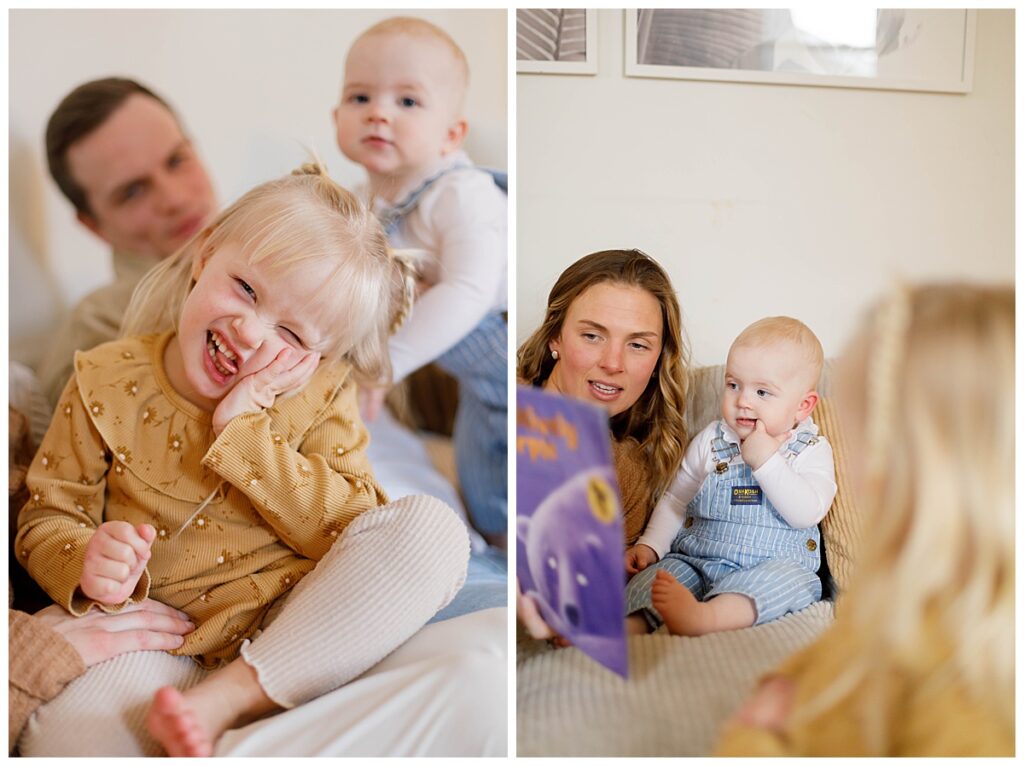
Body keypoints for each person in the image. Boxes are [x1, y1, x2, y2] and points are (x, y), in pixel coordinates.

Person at [17, 164, 469, 757]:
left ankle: (234, 702)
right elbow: (46, 513)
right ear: (205, 255)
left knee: (433, 531)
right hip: (159, 640)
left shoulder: (322, 394)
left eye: (293, 335)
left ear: (319, 359)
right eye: (247, 290)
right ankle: (223, 729)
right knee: (68, 741)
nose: (252, 332)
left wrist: (245, 433)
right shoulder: (105, 377)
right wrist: (84, 562)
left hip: (298, 632)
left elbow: (349, 528)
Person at [715, 284, 1013, 756]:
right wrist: (789, 686)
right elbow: (835, 664)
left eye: (855, 434)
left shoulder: (967, 692)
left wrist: (755, 733)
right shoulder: (900, 593)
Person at [333, 17, 508, 544]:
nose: (379, 112)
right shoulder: (364, 201)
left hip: (514, 365)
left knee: (524, 469)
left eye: (407, 102)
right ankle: (490, 549)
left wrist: (391, 361)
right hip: (473, 384)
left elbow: (471, 290)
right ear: (336, 115)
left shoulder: (459, 194)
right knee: (480, 483)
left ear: (452, 133)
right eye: (360, 97)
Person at [623, 317, 835, 636]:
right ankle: (627, 625)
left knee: (789, 583)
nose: (743, 401)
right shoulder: (713, 440)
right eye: (733, 384)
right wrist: (650, 546)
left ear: (803, 406)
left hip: (768, 567)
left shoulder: (809, 449)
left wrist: (766, 461)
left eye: (763, 392)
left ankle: (707, 618)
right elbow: (677, 499)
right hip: (697, 559)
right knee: (661, 577)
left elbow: (806, 513)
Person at [516, 249, 689, 638]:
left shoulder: (628, 470)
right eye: (592, 335)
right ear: (555, 337)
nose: (613, 362)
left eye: (638, 345)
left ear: (659, 358)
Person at [36, 77, 217, 409]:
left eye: (177, 160)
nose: (174, 198)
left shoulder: (288, 241)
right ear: (93, 226)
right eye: (132, 191)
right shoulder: (95, 334)